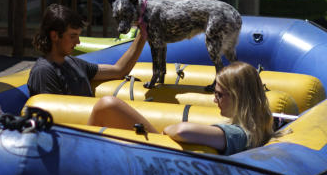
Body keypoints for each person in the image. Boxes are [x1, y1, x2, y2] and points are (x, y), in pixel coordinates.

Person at [88, 61, 274, 155]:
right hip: (169, 157)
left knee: (109, 105)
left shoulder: (237, 134)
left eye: (219, 94)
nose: (214, 99)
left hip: (165, 157)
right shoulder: (257, 128)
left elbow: (183, 131)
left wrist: (167, 130)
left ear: (238, 97)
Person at [27, 4, 147, 97]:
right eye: (73, 36)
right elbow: (51, 117)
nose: (78, 42)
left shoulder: (73, 63)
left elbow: (119, 70)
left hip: (88, 124)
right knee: (108, 105)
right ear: (54, 36)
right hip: (77, 127)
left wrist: (143, 33)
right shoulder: (43, 72)